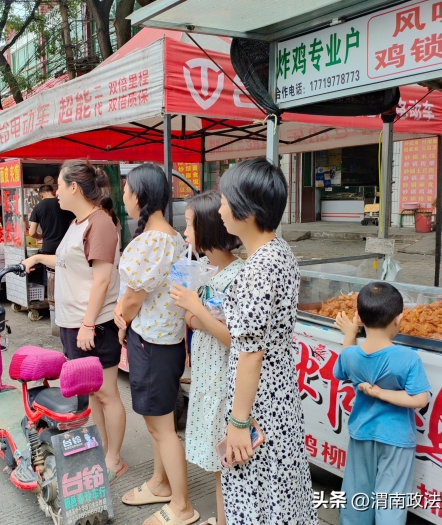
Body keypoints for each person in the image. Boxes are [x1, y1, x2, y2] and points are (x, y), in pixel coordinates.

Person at [216, 157, 317, 524]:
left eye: (226, 199)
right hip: (279, 398)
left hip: (260, 403)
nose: (221, 208)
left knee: (258, 496)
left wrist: (239, 423)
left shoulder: (257, 268)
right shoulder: (279, 252)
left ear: (247, 210)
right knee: (282, 493)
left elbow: (250, 354)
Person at [22, 160, 127, 482]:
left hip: (93, 325)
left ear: (74, 188)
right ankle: (102, 446)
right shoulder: (78, 222)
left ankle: (114, 458)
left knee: (107, 392)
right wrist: (39, 257)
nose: (55, 193)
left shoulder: (101, 223)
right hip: (75, 322)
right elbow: (69, 261)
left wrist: (88, 324)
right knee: (92, 392)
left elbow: (102, 279)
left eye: (59, 187)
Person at [114, 163, 199, 525]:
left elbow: (132, 300)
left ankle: (182, 506)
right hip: (165, 343)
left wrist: (121, 319)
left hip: (151, 344)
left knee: (162, 428)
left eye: (127, 190)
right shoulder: (174, 238)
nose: (124, 196)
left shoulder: (151, 241)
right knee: (157, 423)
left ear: (141, 195)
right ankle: (160, 483)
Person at [169, 190, 243, 525]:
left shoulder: (237, 277)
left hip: (224, 387)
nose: (185, 233)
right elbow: (195, 321)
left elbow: (234, 338)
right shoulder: (206, 270)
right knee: (219, 465)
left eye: (189, 225)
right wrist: (192, 310)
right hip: (209, 379)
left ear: (210, 228)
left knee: (227, 465)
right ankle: (223, 518)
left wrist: (196, 308)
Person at [334, 283, 430, 525]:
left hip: (362, 433)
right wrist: (381, 393)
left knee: (357, 494)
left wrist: (349, 335)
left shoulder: (351, 354)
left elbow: (342, 368)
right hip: (396, 437)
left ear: (358, 318)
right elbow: (420, 399)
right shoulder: (408, 358)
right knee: (391, 497)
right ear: (399, 319)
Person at [28, 184, 75, 255]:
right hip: (65, 246)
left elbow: (32, 233)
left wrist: (41, 235)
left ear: (41, 195)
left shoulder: (38, 207)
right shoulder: (63, 203)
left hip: (48, 247)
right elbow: (74, 223)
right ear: (53, 192)